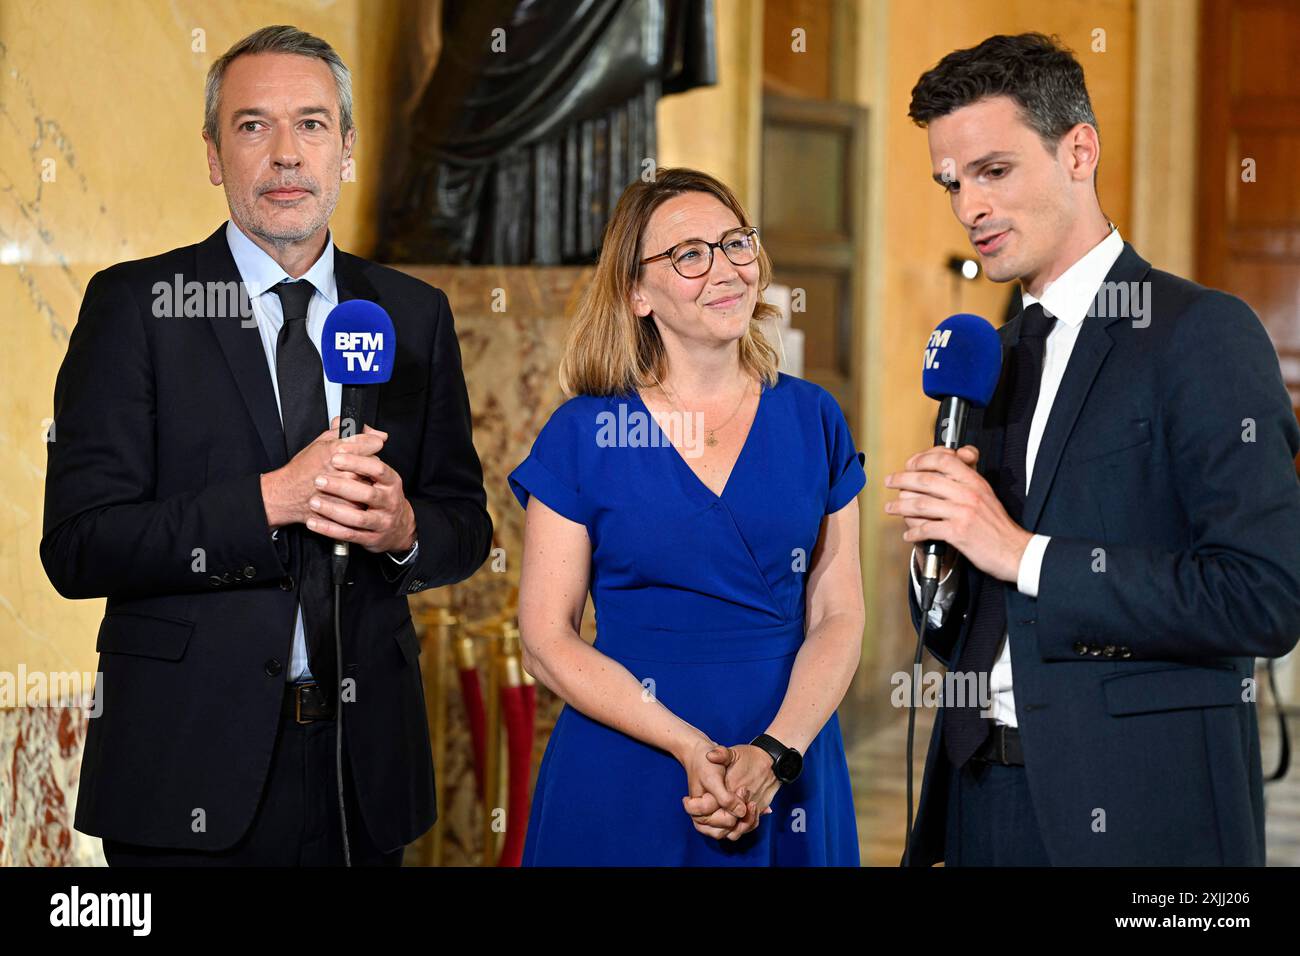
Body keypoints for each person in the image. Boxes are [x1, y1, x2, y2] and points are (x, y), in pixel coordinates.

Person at [40, 25, 492, 866]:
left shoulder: (411, 311)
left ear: (347, 149)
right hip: (184, 772)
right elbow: (78, 546)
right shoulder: (136, 306)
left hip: (363, 773)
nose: (287, 154)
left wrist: (404, 532)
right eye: (254, 126)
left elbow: (465, 522)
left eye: (313, 125)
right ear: (214, 153)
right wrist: (271, 500)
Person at [886, 33, 1300, 866]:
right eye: (951, 183)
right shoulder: (989, 357)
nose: (970, 207)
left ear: (1080, 149)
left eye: (994, 171)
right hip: (978, 803)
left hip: (1142, 808)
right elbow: (971, 620)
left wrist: (1019, 552)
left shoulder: (1200, 333)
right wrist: (942, 559)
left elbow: (1265, 597)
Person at [508, 167, 866, 866]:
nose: (726, 269)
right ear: (637, 292)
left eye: (736, 243)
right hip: (629, 764)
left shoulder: (814, 416)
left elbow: (840, 614)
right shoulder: (583, 434)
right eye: (689, 254)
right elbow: (546, 639)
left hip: (786, 760)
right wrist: (686, 746)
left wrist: (774, 752)